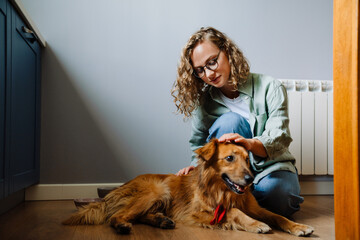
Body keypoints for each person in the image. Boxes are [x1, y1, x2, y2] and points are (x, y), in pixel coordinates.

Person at [171, 27, 303, 218]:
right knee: (230, 121)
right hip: (229, 173)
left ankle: (242, 203)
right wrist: (194, 167)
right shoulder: (204, 102)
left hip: (269, 166)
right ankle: (237, 203)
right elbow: (199, 143)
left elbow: (279, 137)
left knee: (281, 197)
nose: (209, 74)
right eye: (200, 70)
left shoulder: (270, 87)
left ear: (227, 51)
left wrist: (248, 143)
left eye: (212, 62)